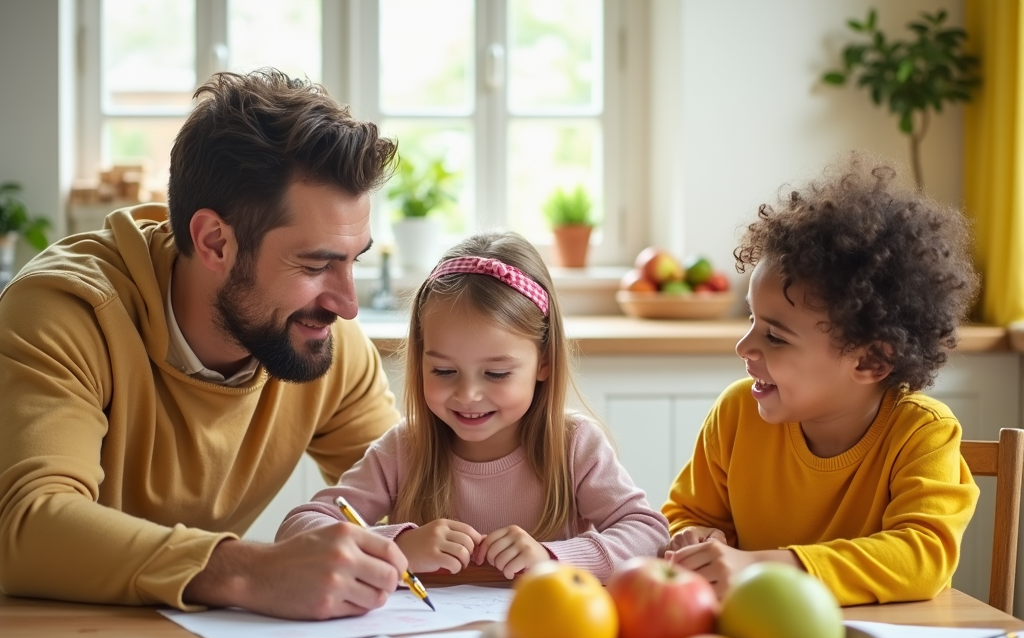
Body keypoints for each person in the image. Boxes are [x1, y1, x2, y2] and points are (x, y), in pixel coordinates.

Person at [0, 69, 412, 620]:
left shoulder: (324, 344)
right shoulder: (65, 313)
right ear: (215, 241)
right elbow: (29, 525)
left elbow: (411, 499)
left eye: (353, 260)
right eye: (316, 265)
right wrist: (250, 569)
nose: (346, 302)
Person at [663, 155, 981, 606]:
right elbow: (687, 513)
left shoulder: (923, 432)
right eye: (752, 319)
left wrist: (763, 566)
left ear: (871, 361)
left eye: (774, 336)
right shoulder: (737, 413)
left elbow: (922, 557)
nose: (744, 347)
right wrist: (693, 536)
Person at [277, 231, 669, 581]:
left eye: (496, 374)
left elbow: (649, 534)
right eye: (444, 371)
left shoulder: (574, 445)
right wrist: (397, 549)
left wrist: (554, 557)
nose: (467, 395)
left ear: (544, 362)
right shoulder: (404, 449)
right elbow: (299, 527)